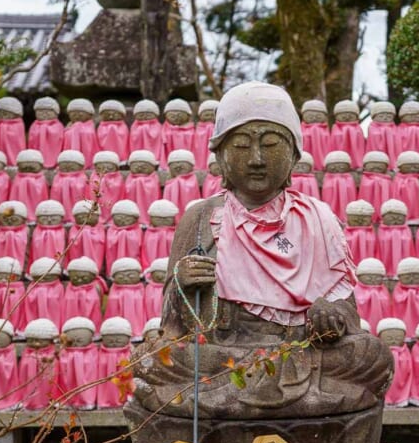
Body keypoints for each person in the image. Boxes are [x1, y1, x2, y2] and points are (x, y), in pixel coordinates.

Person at [132, 82, 393, 420]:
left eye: (270, 145)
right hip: (222, 355)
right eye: (241, 146)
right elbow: (173, 327)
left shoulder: (318, 219)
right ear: (220, 157)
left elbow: (346, 314)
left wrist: (330, 316)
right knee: (152, 360)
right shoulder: (200, 218)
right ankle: (287, 403)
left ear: (294, 155)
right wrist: (182, 283)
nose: (256, 160)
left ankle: (231, 402)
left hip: (299, 351)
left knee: (371, 356)